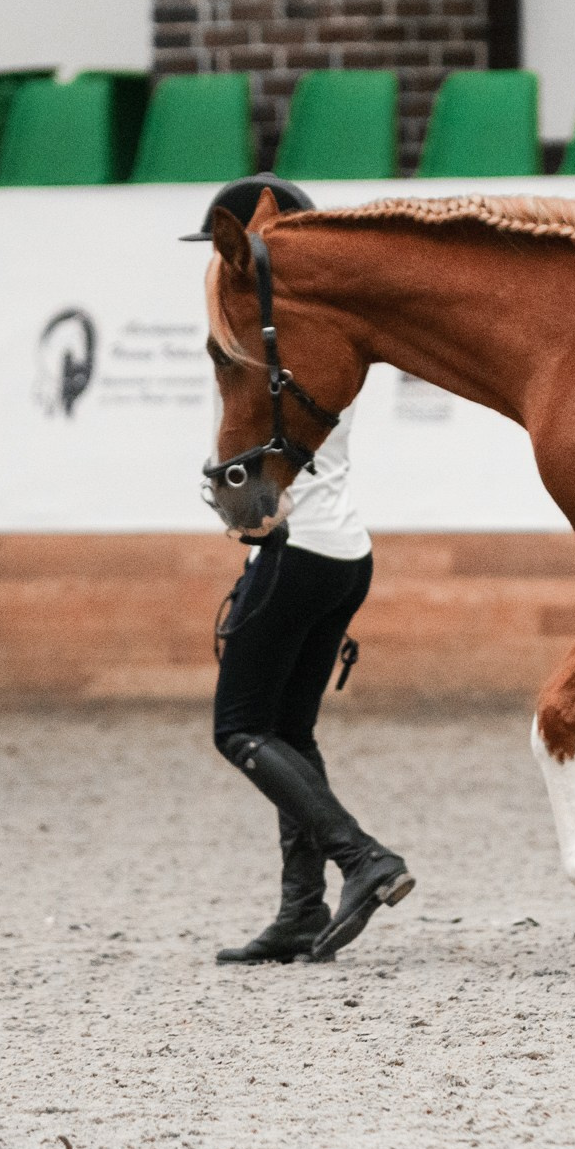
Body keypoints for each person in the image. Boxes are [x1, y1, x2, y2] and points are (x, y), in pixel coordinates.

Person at [193, 178, 414, 967]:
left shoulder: (276, 341)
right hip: (344, 553)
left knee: (239, 730)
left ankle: (361, 858)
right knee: (290, 732)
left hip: (293, 552)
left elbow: (249, 489)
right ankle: (300, 908)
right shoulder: (330, 335)